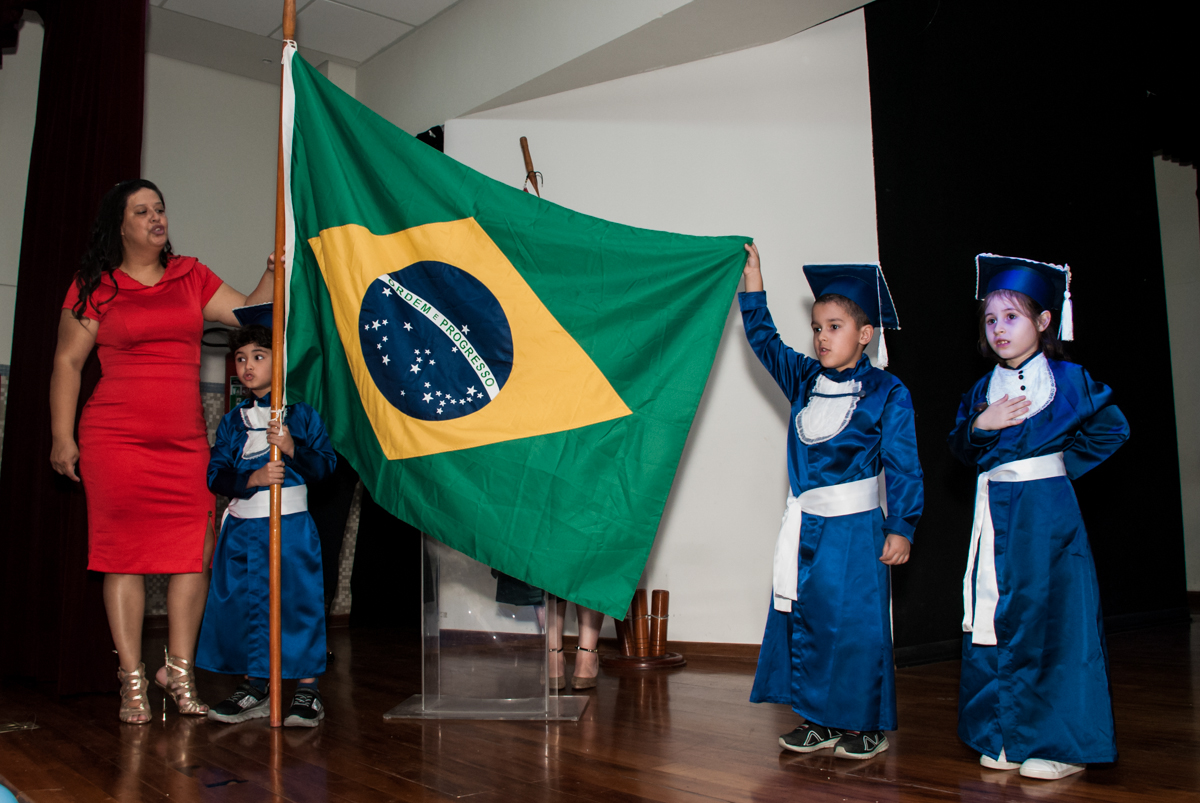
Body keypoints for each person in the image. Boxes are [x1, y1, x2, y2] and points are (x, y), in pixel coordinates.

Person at [50, 179, 275, 723]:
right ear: (120, 226)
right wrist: (62, 436)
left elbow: (249, 313)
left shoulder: (190, 276)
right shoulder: (95, 286)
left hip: (183, 442)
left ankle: (178, 671)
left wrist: (273, 270)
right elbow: (67, 364)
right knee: (121, 557)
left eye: (160, 208)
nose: (156, 217)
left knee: (192, 555)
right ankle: (132, 682)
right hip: (116, 439)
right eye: (142, 210)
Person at [740, 243, 923, 760]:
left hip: (857, 528)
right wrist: (753, 280)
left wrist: (902, 527)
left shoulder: (888, 392)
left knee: (859, 629)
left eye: (835, 326)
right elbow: (763, 339)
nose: (822, 336)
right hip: (807, 530)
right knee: (811, 621)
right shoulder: (803, 380)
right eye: (818, 327)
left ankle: (864, 724)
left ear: (865, 335)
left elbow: (905, 466)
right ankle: (818, 719)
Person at [949, 254, 1128, 780]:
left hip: (1047, 518)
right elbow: (960, 449)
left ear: (1045, 321)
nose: (999, 328)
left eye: (1012, 317)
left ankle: (1063, 744)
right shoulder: (981, 391)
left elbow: (1112, 429)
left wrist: (1056, 470)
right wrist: (982, 424)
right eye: (990, 319)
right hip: (996, 515)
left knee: (1054, 623)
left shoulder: (1071, 380)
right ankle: (1004, 733)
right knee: (998, 620)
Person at [198, 317, 336, 727]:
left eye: (259, 356)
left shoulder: (303, 415)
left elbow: (326, 468)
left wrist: (292, 448)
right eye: (241, 358)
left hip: (290, 528)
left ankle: (307, 691)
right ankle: (254, 685)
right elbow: (215, 474)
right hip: (243, 530)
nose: (247, 366)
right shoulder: (232, 423)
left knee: (297, 604)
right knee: (245, 605)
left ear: (279, 361)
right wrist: (251, 479)